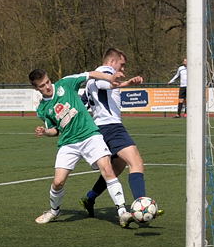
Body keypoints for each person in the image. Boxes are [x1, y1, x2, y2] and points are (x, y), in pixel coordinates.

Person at [29, 67, 136, 228]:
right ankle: (54, 211)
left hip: (90, 135)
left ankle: (122, 212)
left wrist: (110, 77)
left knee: (107, 169)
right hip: (68, 143)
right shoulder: (43, 109)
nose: (48, 87)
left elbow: (90, 74)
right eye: (42, 86)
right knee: (58, 182)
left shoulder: (66, 83)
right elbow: (55, 130)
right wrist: (45, 132)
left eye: (48, 82)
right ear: (36, 88)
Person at [78, 48, 157, 219]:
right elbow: (105, 83)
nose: (123, 69)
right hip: (112, 127)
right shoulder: (105, 72)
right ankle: (142, 207)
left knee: (117, 166)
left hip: (99, 128)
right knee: (136, 162)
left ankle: (90, 197)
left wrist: (127, 83)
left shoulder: (92, 78)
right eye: (122, 65)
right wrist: (112, 80)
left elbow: (85, 99)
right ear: (112, 62)